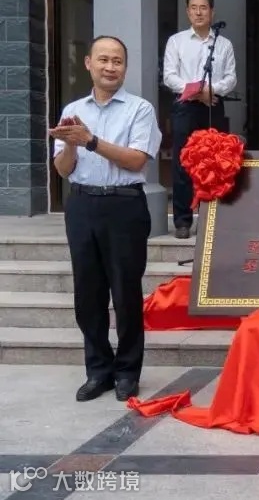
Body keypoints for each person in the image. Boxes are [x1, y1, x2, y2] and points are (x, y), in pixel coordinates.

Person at [49, 36, 162, 402]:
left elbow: (137, 160)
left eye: (117, 61)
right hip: (82, 205)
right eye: (103, 60)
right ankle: (98, 370)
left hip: (124, 207)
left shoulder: (140, 109)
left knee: (126, 293)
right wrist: (70, 143)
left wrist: (90, 140)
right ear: (88, 63)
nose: (110, 67)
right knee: (88, 294)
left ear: (124, 67)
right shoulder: (73, 109)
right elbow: (63, 169)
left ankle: (127, 371)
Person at [161, 0, 237, 239]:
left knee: (215, 161)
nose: (198, 12)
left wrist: (210, 91)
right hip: (185, 106)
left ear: (212, 12)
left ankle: (213, 219)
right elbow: (169, 76)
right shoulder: (176, 41)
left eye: (203, 8)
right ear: (187, 12)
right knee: (183, 162)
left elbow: (231, 78)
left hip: (213, 104)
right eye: (193, 8)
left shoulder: (223, 44)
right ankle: (183, 220)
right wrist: (194, 91)